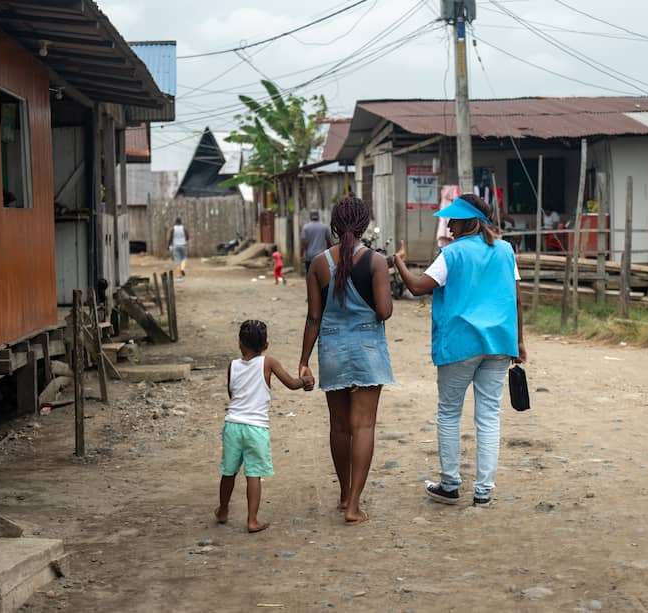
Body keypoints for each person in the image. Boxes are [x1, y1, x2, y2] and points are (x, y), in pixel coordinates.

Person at [393, 194, 526, 507]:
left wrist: (398, 260)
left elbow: (416, 287)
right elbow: (516, 298)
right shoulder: (506, 251)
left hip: (460, 344)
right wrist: (519, 342)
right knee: (489, 416)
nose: (448, 225)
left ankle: (450, 485)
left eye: (453, 219)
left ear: (468, 221)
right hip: (498, 344)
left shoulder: (451, 255)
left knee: (450, 413)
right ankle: (483, 493)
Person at [298, 196, 395, 524]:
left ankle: (342, 496)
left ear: (334, 225)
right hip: (368, 353)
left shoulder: (319, 263)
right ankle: (354, 505)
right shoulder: (377, 262)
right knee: (363, 425)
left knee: (339, 427)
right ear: (365, 224)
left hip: (333, 352)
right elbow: (384, 311)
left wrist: (303, 362)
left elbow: (313, 318)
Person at [216, 320, 309, 532]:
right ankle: (252, 520)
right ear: (266, 345)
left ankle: (222, 510)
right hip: (256, 428)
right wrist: (306, 380)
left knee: (228, 472)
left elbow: (233, 395)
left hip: (233, 425)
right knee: (253, 474)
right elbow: (292, 384)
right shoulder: (268, 363)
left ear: (240, 343)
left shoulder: (233, 366)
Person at [300, 210, 333, 275]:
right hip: (322, 256)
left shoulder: (305, 227)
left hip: (309, 257)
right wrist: (330, 254)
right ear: (318, 216)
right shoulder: (324, 227)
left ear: (310, 216)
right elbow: (329, 242)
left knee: (310, 274)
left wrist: (301, 255)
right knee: (322, 274)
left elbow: (303, 243)